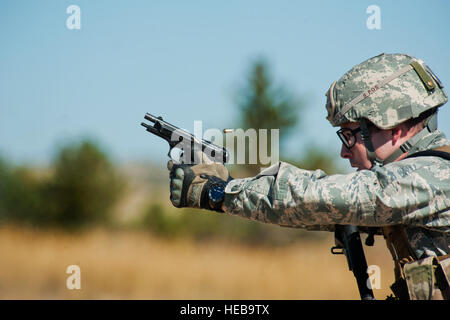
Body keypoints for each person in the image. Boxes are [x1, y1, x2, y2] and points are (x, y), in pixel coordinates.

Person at [167, 53, 450, 300]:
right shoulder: (420, 179)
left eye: (350, 135)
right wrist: (229, 187)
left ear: (394, 128)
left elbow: (313, 198)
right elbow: (318, 212)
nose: (343, 151)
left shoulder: (433, 176)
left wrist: (218, 193)